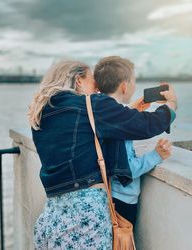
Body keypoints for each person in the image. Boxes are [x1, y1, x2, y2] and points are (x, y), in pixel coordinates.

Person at [28, 59, 177, 249]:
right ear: (79, 80)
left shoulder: (43, 112)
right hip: (85, 220)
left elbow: (84, 132)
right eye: (92, 80)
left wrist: (127, 110)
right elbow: (146, 125)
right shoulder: (91, 104)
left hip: (52, 218)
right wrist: (170, 106)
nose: (97, 87)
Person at [94, 56, 175, 226]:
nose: (135, 86)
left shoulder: (100, 112)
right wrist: (156, 155)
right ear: (124, 86)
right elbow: (126, 170)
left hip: (106, 194)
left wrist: (130, 110)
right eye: (133, 81)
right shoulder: (116, 123)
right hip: (121, 199)